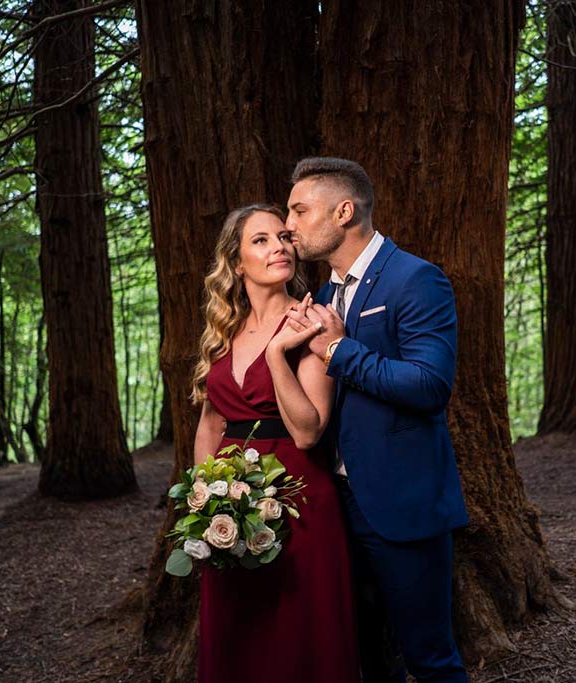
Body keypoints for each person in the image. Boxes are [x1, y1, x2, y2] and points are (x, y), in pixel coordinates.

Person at [284, 157, 470, 683]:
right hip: (335, 510)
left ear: (343, 211)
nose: (289, 224)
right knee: (364, 659)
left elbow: (430, 386)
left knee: (430, 659)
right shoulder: (319, 296)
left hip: (403, 506)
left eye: (299, 210)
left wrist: (339, 350)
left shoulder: (416, 279)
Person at [191, 204, 359, 683]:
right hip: (230, 502)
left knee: (300, 634)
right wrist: (206, 505)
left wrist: (276, 356)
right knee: (239, 632)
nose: (279, 247)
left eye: (284, 237)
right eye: (261, 240)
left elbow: (309, 429)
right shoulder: (223, 331)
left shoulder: (313, 321)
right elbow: (209, 425)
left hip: (298, 497)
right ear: (237, 263)